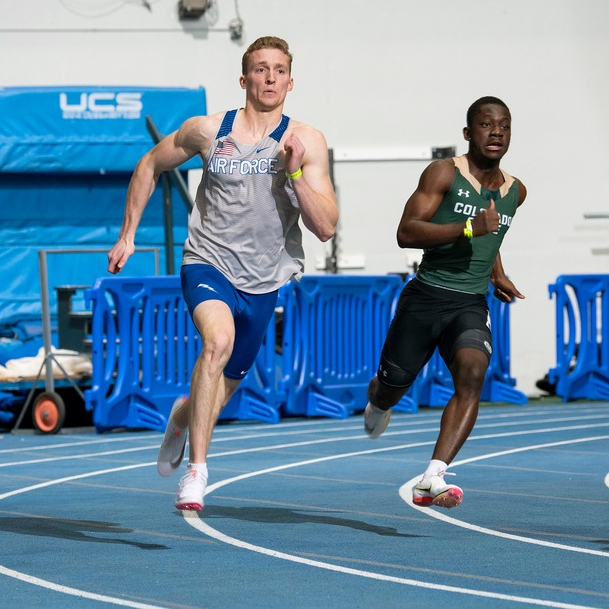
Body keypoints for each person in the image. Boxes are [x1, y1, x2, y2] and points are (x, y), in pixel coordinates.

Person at [107, 36, 338, 512]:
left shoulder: (306, 141)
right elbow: (150, 163)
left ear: (290, 82)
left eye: (278, 70)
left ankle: (180, 416)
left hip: (264, 279)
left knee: (221, 389)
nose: (269, 77)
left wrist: (294, 175)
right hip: (207, 261)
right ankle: (198, 473)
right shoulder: (209, 130)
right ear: (244, 79)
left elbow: (325, 228)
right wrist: (128, 234)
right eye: (260, 69)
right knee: (217, 343)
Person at [363, 96, 526, 509]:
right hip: (426, 297)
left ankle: (432, 476)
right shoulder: (442, 173)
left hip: (470, 302)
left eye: (504, 126)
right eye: (487, 125)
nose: (497, 132)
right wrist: (470, 228)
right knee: (391, 390)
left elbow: (495, 233)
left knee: (473, 375)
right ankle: (378, 398)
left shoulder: (516, 191)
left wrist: (496, 273)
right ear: (469, 133)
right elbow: (407, 233)